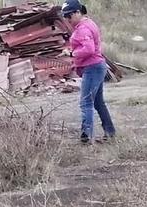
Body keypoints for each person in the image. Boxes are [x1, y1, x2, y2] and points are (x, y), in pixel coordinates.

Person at [64, 1, 116, 144]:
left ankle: (86, 137)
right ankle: (110, 132)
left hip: (92, 67)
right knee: (98, 102)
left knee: (86, 102)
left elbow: (88, 49)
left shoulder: (82, 29)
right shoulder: (88, 23)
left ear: (77, 12)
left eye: (69, 16)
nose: (67, 19)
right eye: (65, 17)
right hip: (96, 66)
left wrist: (73, 53)